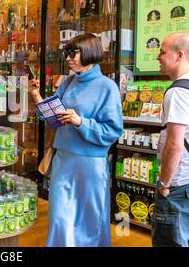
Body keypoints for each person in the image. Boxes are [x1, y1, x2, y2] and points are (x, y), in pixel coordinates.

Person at [29, 33, 123, 247]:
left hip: (89, 164)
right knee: (60, 217)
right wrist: (35, 95)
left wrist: (81, 122)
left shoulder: (107, 87)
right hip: (63, 160)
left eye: (74, 53)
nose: (69, 58)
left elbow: (113, 130)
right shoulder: (68, 81)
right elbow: (53, 117)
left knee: (90, 221)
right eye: (67, 53)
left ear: (90, 52)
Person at [152, 33, 189, 247]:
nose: (158, 57)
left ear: (179, 56)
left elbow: (174, 144)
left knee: (170, 241)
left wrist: (164, 184)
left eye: (162, 51)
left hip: (178, 186)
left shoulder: (179, 92)